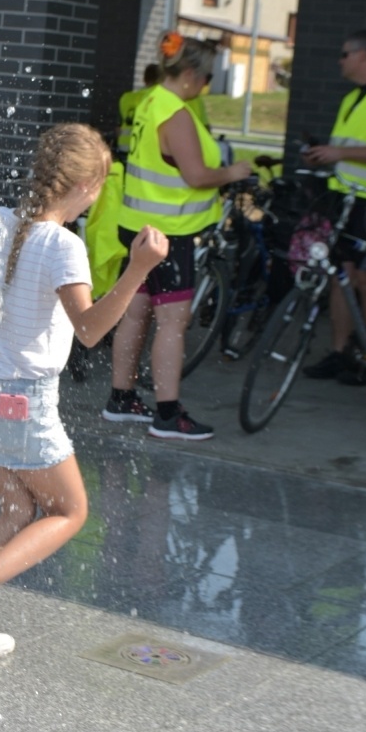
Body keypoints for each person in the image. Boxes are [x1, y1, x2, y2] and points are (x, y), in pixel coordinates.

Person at [0, 123, 168, 661]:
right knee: (70, 511)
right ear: (87, 184)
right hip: (22, 402)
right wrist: (138, 270)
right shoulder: (64, 246)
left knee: (16, 507)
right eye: (103, 182)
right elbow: (89, 330)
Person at [102, 32, 251, 440]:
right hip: (169, 233)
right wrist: (233, 174)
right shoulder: (177, 113)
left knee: (136, 313)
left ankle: (122, 398)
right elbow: (197, 176)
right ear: (189, 74)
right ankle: (168, 414)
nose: (205, 88)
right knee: (173, 322)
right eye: (205, 80)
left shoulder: (149, 102)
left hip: (136, 224)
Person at [302, 28, 366, 385]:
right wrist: (324, 155)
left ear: (362, 56)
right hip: (345, 199)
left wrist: (339, 153)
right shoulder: (351, 97)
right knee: (341, 277)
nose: (339, 61)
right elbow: (350, 147)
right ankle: (340, 353)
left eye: (344, 54)